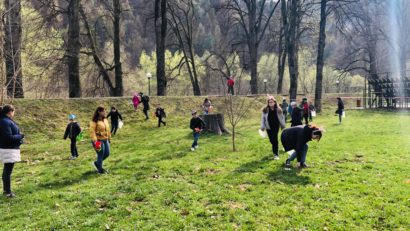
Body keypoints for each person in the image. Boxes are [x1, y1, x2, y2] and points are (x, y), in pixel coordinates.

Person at [0, 105, 24, 198]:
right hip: (8, 149)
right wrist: (21, 136)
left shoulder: (5, 120)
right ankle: (8, 192)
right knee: (8, 171)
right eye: (13, 112)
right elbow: (8, 137)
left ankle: (6, 190)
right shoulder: (5, 122)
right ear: (10, 111)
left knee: (7, 170)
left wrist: (19, 139)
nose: (14, 114)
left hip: (9, 148)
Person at [90, 106, 111, 174]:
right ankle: (100, 170)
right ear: (99, 112)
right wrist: (95, 141)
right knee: (101, 154)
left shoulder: (105, 119)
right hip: (98, 140)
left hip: (105, 139)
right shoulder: (94, 121)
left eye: (105, 111)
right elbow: (92, 131)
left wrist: (109, 138)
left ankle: (96, 163)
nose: (105, 112)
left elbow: (108, 129)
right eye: (103, 111)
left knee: (107, 153)